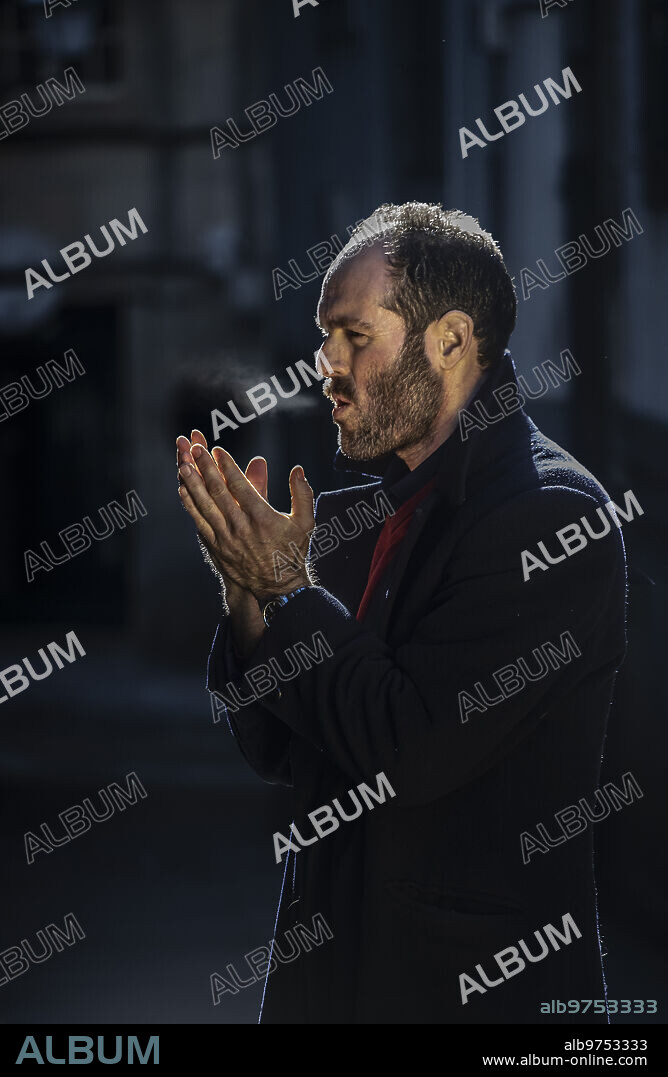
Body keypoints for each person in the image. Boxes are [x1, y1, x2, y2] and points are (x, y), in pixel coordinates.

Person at [176, 203, 626, 1024]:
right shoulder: (373, 514)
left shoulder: (550, 515)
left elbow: (408, 747)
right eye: (324, 338)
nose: (328, 365)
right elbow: (281, 744)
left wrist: (285, 587)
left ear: (450, 341)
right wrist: (246, 586)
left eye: (355, 335)